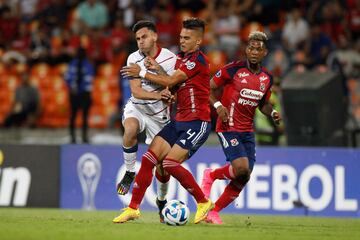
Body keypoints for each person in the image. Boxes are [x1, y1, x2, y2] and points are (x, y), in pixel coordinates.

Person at [113, 18, 213, 224]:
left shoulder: (197, 60)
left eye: (187, 38)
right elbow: (171, 84)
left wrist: (143, 72)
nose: (182, 41)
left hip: (197, 121)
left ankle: (202, 201)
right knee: (149, 158)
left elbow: (170, 81)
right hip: (178, 119)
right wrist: (158, 71)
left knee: (166, 164)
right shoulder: (180, 59)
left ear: (198, 42)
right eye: (181, 37)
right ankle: (133, 208)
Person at [200, 31, 281, 224]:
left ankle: (214, 211)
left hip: (247, 131)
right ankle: (210, 175)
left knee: (244, 176)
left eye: (258, 49)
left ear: (265, 53)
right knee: (241, 168)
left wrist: (273, 113)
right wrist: (218, 106)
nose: (254, 51)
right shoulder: (233, 69)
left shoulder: (266, 78)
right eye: (251, 48)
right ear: (246, 50)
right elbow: (207, 87)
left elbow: (263, 104)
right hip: (228, 126)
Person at [116, 20, 177, 222]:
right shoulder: (133, 58)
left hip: (160, 116)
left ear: (154, 37)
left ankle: (161, 201)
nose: (140, 42)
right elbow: (136, 91)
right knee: (130, 129)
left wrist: (158, 72)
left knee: (162, 166)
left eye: (143, 37)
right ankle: (130, 171)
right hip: (138, 107)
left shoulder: (170, 58)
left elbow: (173, 83)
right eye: (137, 39)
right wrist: (159, 96)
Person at [64, 47, 94, 144]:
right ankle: (73, 137)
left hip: (83, 94)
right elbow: (67, 78)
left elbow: (90, 79)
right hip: (75, 93)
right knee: (73, 116)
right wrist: (71, 87)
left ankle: (84, 137)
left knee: (84, 116)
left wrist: (87, 92)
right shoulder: (74, 64)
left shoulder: (87, 65)